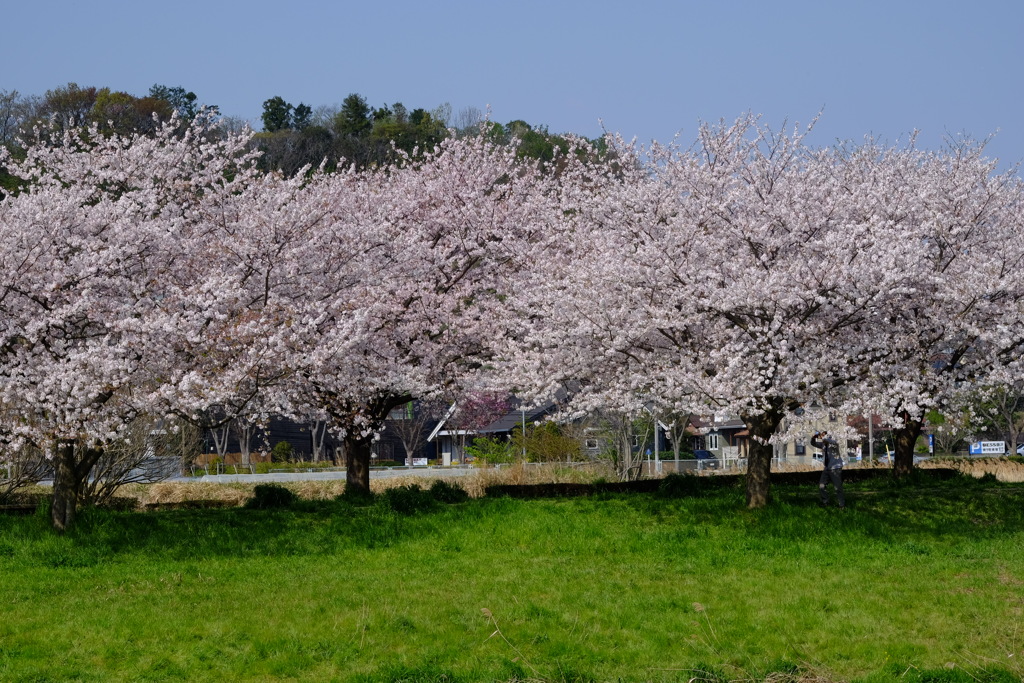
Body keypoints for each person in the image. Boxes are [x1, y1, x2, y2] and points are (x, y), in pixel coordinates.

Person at [811, 430, 845, 508]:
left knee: (837, 487)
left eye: (824, 436)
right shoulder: (823, 445)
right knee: (821, 486)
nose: (822, 437)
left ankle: (841, 504)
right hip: (827, 468)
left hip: (835, 468)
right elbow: (813, 443)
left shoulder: (834, 444)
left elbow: (833, 442)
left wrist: (825, 438)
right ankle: (825, 501)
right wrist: (813, 438)